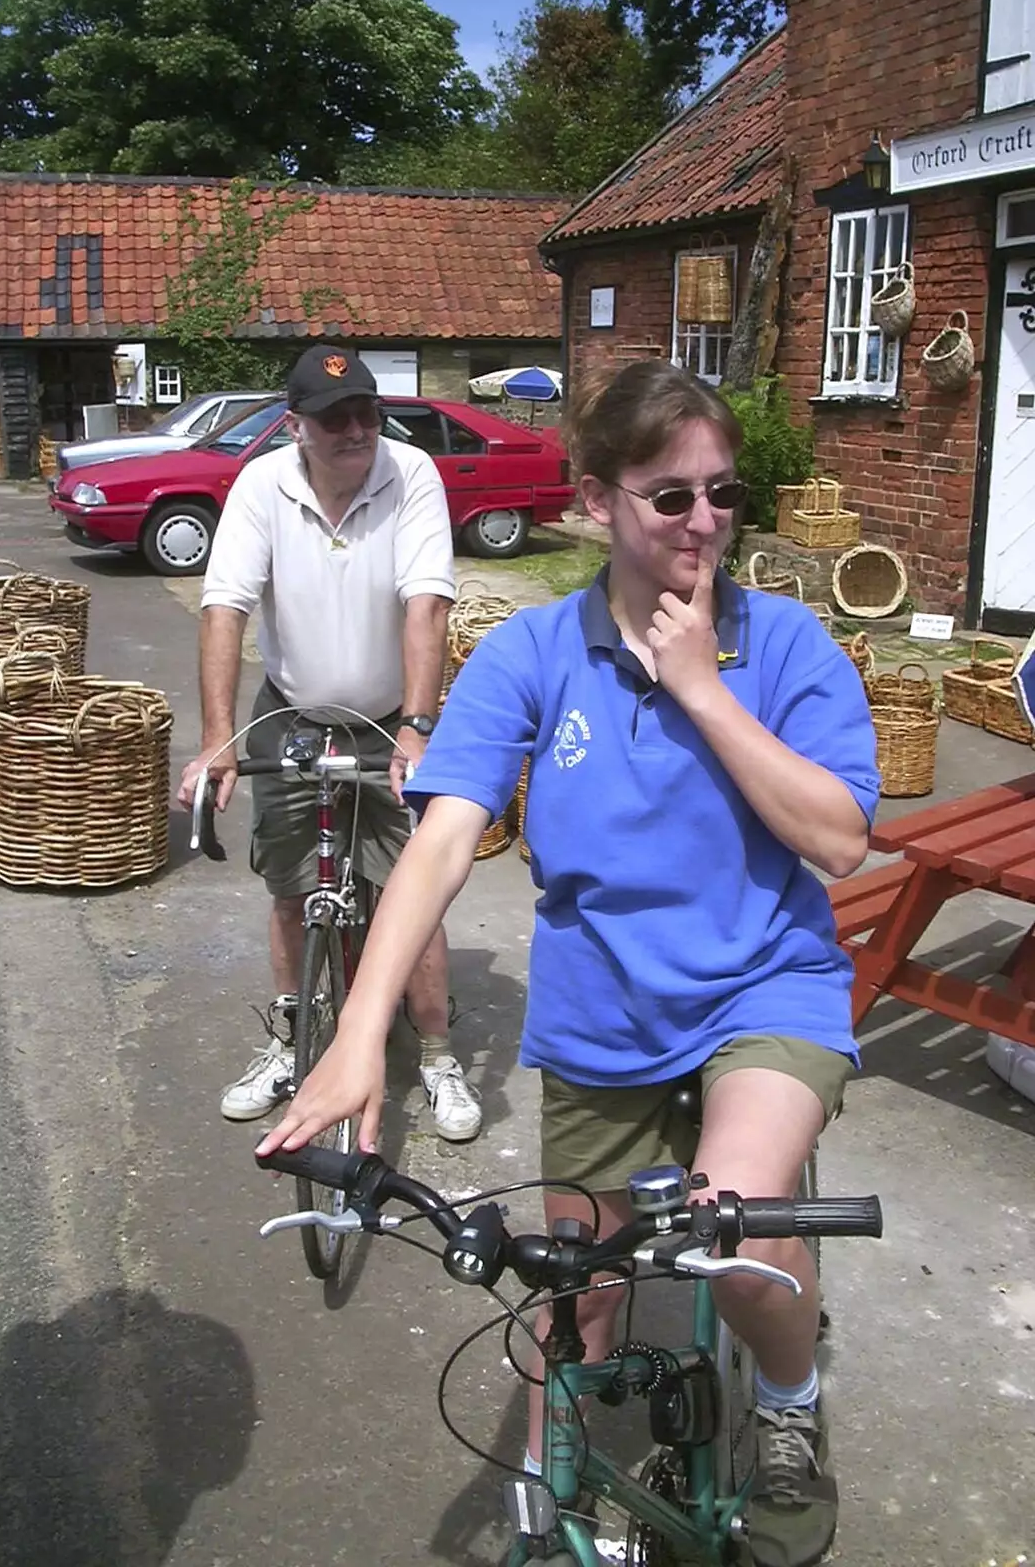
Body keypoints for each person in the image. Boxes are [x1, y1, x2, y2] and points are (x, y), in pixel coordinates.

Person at [258, 360, 879, 1567]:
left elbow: (841, 840)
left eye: (722, 492)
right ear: (595, 500)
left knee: (735, 1224)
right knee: (578, 1288)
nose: (703, 523)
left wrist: (701, 689)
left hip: (764, 986)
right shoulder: (536, 652)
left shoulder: (784, 642)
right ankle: (565, 1479)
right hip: (604, 1005)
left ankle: (791, 1403)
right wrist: (353, 1039)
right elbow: (439, 845)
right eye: (667, 497)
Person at [177, 344, 482, 1144]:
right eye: (334, 418)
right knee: (287, 887)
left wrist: (417, 727)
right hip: (293, 708)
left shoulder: (409, 472)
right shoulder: (260, 484)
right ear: (296, 426)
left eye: (366, 413)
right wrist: (216, 742)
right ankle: (288, 1042)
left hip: (389, 715)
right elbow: (224, 608)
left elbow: (427, 604)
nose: (355, 430)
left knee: (409, 892)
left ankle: (438, 1053)